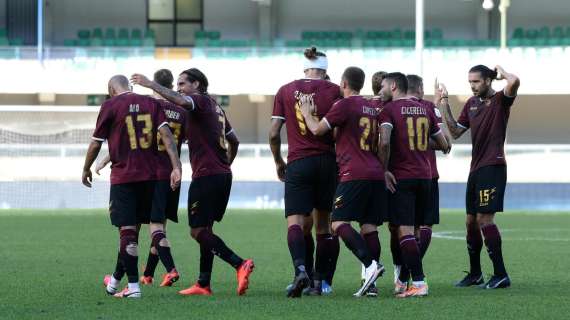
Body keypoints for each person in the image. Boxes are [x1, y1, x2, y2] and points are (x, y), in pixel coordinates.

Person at [130, 68, 254, 296]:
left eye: (183, 83)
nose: (179, 89)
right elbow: (234, 141)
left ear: (196, 85)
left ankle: (239, 263)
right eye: (177, 84)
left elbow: (180, 100)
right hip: (222, 174)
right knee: (206, 229)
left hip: (206, 175)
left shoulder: (198, 101)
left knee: (197, 231)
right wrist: (226, 163)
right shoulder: (216, 107)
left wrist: (151, 85)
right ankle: (203, 283)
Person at [82, 75, 182, 298]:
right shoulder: (151, 103)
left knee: (127, 232)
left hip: (124, 177)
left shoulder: (110, 105)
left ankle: (134, 287)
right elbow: (166, 134)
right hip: (151, 177)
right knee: (143, 230)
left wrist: (86, 168)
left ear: (111, 89)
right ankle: (115, 281)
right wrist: (177, 166)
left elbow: (96, 142)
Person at [299, 66, 386, 297]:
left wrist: (307, 113)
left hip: (353, 173)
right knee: (369, 227)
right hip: (376, 171)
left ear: (344, 84)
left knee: (337, 224)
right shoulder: (372, 107)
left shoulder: (344, 105)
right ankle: (371, 286)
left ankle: (370, 265)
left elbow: (318, 130)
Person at [269, 47, 341, 297]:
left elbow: (273, 132)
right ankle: (320, 283)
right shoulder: (335, 91)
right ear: (326, 69)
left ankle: (300, 270)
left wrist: (278, 161)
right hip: (328, 162)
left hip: (299, 162)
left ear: (304, 67)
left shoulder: (285, 90)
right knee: (324, 228)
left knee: (296, 224)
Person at [439, 65, 520, 289]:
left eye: (476, 82)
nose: (472, 86)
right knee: (470, 222)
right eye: (470, 83)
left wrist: (502, 72)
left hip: (493, 167)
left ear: (487, 81)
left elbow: (514, 82)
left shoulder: (501, 100)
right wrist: (444, 102)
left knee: (485, 219)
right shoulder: (471, 104)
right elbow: (455, 131)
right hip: (475, 169)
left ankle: (501, 274)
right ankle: (475, 274)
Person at [378, 72, 449, 298]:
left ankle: (417, 282)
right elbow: (444, 143)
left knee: (404, 231)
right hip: (426, 176)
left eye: (384, 87)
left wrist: (384, 169)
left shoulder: (389, 110)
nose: (382, 91)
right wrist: (417, 141)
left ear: (395, 87)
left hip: (403, 176)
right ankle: (409, 281)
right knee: (418, 230)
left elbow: (385, 141)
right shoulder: (427, 108)